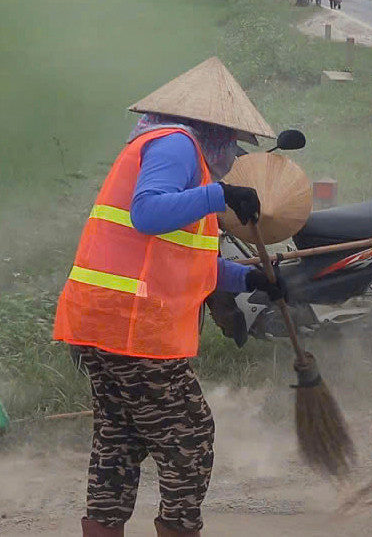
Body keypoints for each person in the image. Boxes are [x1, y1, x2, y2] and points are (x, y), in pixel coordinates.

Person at [54, 58, 287, 537]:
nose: (231, 156)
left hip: (102, 322)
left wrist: (250, 281)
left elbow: (182, 257)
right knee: (190, 440)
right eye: (232, 145)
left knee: (118, 443)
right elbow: (147, 212)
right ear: (214, 129)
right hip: (133, 328)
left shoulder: (171, 150)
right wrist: (219, 194)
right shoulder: (176, 145)